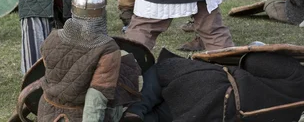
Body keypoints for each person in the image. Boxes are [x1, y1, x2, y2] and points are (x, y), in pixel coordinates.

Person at [37, 0, 140, 122]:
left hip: (47, 114)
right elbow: (95, 99)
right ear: (102, 12)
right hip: (79, 116)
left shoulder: (53, 37)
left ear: (74, 9)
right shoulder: (108, 49)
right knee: (132, 70)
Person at [122, 47, 304, 122]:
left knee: (162, 69)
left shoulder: (298, 75)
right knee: (164, 114)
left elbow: (252, 60)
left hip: (214, 84)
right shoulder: (294, 115)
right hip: (216, 113)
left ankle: (136, 109)